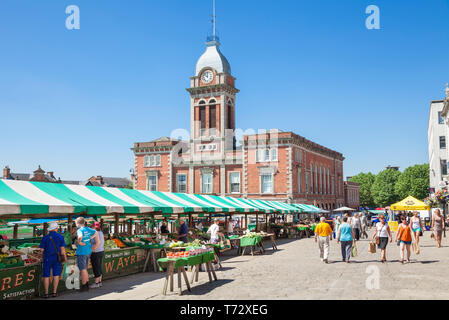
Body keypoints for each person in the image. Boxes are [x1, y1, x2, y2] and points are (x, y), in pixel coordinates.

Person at [39, 222, 67, 298]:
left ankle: (46, 293)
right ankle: (54, 292)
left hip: (47, 258)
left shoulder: (45, 237)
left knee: (46, 275)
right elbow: (62, 249)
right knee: (56, 275)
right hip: (57, 258)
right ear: (55, 228)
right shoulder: (60, 237)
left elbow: (41, 249)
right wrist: (65, 258)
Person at [75, 217, 99, 291]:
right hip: (88, 251)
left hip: (82, 251)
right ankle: (86, 284)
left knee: (83, 269)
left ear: (78, 223)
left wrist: (79, 242)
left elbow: (80, 236)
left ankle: (84, 285)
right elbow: (96, 232)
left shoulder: (79, 230)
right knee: (85, 269)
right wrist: (90, 238)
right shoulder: (88, 229)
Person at [89, 222, 104, 288]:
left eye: (92, 226)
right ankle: (100, 282)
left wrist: (90, 250)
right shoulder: (100, 232)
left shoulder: (96, 233)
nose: (91, 227)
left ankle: (96, 283)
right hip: (100, 251)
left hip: (96, 252)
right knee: (99, 267)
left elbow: (97, 243)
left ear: (95, 227)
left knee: (96, 267)